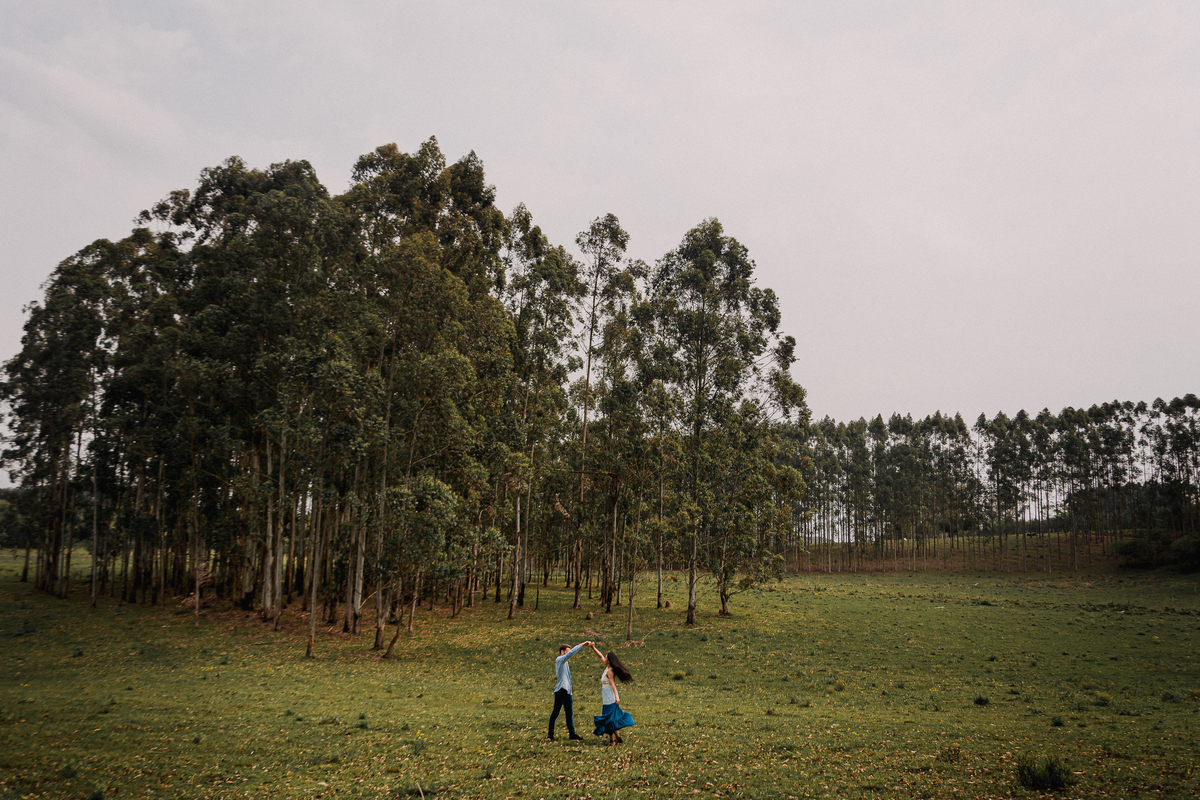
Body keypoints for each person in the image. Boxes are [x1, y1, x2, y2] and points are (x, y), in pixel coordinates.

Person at [587, 642, 635, 745]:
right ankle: (617, 738)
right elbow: (600, 656)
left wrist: (616, 697)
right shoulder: (607, 667)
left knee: (609, 719)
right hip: (606, 696)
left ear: (609, 660)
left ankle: (612, 740)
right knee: (610, 718)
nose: (604, 658)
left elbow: (613, 684)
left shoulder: (610, 671)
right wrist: (593, 647)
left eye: (606, 657)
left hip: (610, 697)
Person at [548, 640, 590, 741]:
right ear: (562, 652)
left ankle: (572, 734)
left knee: (569, 714)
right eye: (567, 652)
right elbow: (570, 654)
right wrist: (581, 645)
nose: (569, 654)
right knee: (555, 713)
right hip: (561, 691)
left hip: (567, 692)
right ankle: (550, 735)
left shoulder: (565, 663)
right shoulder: (559, 660)